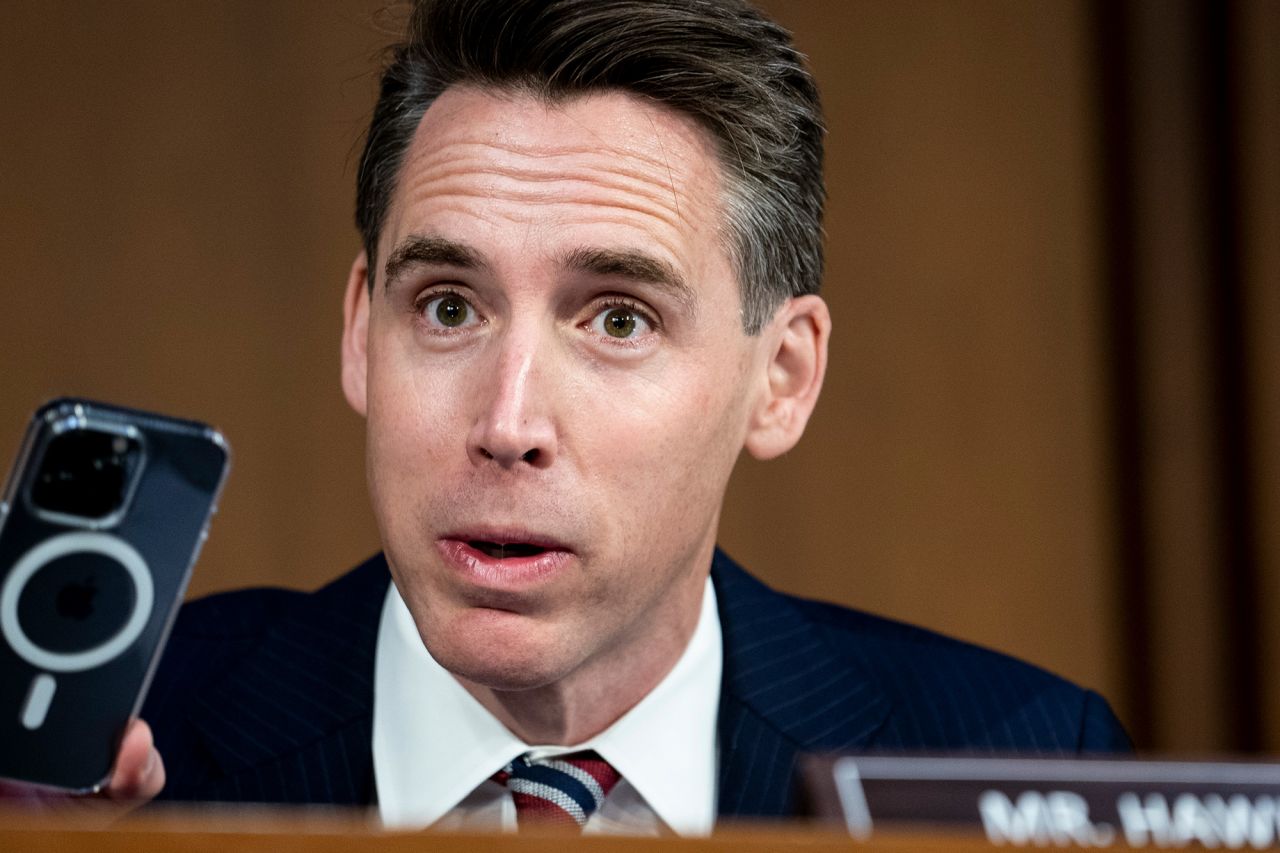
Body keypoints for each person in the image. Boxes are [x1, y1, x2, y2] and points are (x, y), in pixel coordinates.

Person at [16, 0, 1129, 834]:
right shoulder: (97, 755)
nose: (507, 422)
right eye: (447, 307)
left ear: (780, 376)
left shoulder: (1024, 761)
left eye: (617, 320)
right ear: (362, 331)